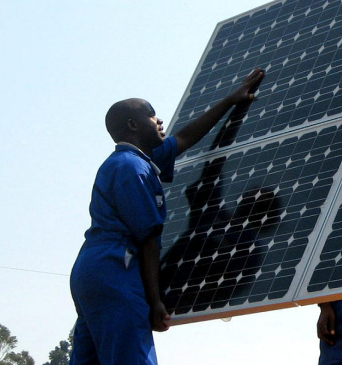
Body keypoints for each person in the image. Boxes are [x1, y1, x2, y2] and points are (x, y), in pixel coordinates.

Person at [69, 68, 265, 365]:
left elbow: (185, 137)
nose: (160, 120)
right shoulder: (131, 169)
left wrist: (230, 100)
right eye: (152, 115)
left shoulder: (135, 160)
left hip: (92, 272)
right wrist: (155, 299)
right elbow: (147, 238)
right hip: (115, 267)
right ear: (133, 125)